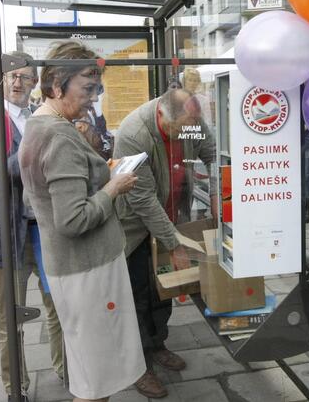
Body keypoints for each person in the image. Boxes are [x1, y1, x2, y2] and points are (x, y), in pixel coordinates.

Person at [19, 41, 144, 402]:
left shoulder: (40, 125)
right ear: (57, 84)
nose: (93, 98)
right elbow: (72, 220)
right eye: (87, 88)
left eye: (96, 89)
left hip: (74, 267)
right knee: (97, 382)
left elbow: (37, 196)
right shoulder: (59, 135)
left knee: (93, 372)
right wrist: (113, 187)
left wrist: (97, 179)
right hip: (88, 269)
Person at [0, 52, 64, 399]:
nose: (19, 83)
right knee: (12, 318)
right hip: (5, 236)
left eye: (25, 76)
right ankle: (16, 389)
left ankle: (67, 371)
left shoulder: (43, 116)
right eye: (12, 76)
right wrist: (19, 162)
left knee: (61, 306)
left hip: (47, 229)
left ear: (36, 81)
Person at [114, 85, 216, 398]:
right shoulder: (133, 134)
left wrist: (216, 194)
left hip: (173, 214)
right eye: (179, 129)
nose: (186, 134)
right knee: (138, 294)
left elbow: (213, 153)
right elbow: (142, 199)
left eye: (190, 127)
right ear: (161, 114)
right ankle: (137, 366)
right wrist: (175, 244)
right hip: (136, 226)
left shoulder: (191, 121)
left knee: (164, 288)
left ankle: (157, 344)